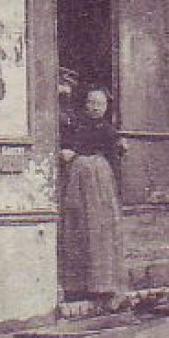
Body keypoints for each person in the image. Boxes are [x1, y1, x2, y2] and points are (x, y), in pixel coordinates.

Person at [59, 86, 126, 305]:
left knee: (101, 227)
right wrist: (69, 152)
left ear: (106, 108)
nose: (95, 107)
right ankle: (77, 285)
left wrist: (120, 146)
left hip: (100, 182)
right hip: (79, 179)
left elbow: (115, 148)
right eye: (91, 103)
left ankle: (102, 284)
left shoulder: (108, 130)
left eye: (100, 104)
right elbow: (67, 146)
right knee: (79, 225)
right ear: (85, 104)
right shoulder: (75, 124)